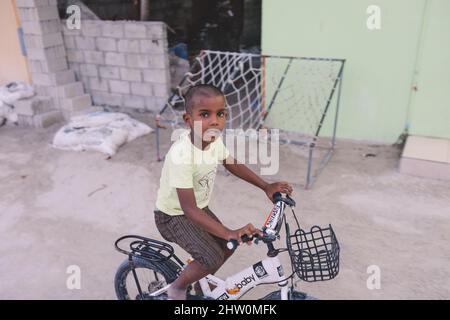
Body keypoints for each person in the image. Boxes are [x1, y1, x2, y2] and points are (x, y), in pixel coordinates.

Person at [154, 84, 293, 300]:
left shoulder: (213, 141)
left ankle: (201, 287)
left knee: (228, 245)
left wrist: (266, 186)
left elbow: (231, 163)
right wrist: (228, 230)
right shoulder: (181, 155)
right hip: (173, 216)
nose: (214, 121)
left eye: (220, 114)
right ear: (188, 120)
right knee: (211, 257)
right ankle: (179, 287)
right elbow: (188, 209)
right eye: (204, 114)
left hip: (198, 209)